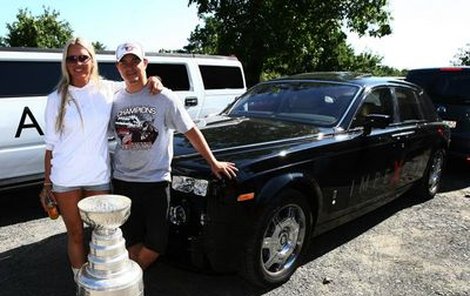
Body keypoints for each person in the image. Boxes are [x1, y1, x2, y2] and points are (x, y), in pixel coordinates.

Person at [39, 37, 162, 279]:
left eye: (83, 57)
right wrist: (46, 184)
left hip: (98, 177)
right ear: (65, 63)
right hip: (65, 178)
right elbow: (50, 146)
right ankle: (81, 285)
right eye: (71, 58)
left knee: (103, 234)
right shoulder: (55, 99)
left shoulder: (109, 90)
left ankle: (103, 284)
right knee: (75, 235)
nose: (78, 63)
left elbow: (135, 83)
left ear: (92, 60)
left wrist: (154, 80)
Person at [110, 42, 238, 270]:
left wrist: (213, 162)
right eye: (124, 63)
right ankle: (131, 284)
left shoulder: (164, 98)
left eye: (135, 61)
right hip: (123, 182)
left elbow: (191, 131)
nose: (130, 68)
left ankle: (131, 277)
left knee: (157, 243)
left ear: (145, 63)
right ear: (117, 67)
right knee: (131, 239)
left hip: (155, 181)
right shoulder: (114, 99)